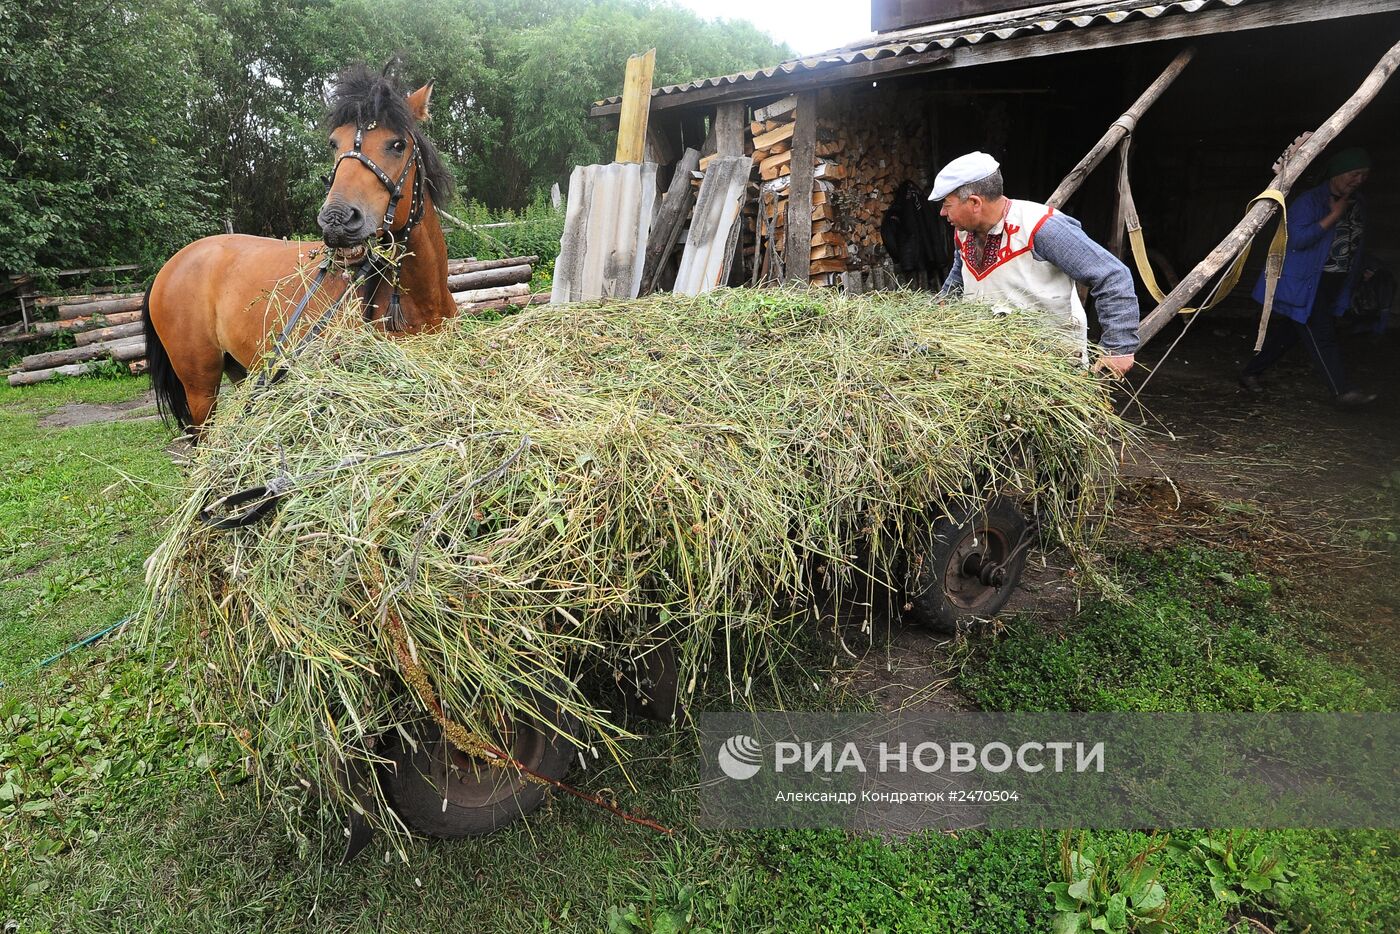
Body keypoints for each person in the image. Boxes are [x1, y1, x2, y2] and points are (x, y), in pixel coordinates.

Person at [931, 151, 1140, 375]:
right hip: (987, 360)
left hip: (1049, 364)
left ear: (974, 202)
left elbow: (1111, 275)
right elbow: (961, 273)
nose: (942, 212)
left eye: (946, 204)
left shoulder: (1042, 228)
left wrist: (1118, 346)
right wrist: (938, 310)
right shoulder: (964, 231)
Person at [1239, 148, 1377, 406]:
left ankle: (1250, 372)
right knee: (1322, 334)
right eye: (1354, 174)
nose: (1359, 180)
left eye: (1364, 175)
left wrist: (1366, 267)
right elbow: (1296, 240)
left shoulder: (1358, 203)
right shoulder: (1310, 201)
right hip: (1306, 283)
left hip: (1335, 281)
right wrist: (1333, 216)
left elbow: (1357, 241)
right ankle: (1342, 392)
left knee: (1291, 332)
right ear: (1337, 173)